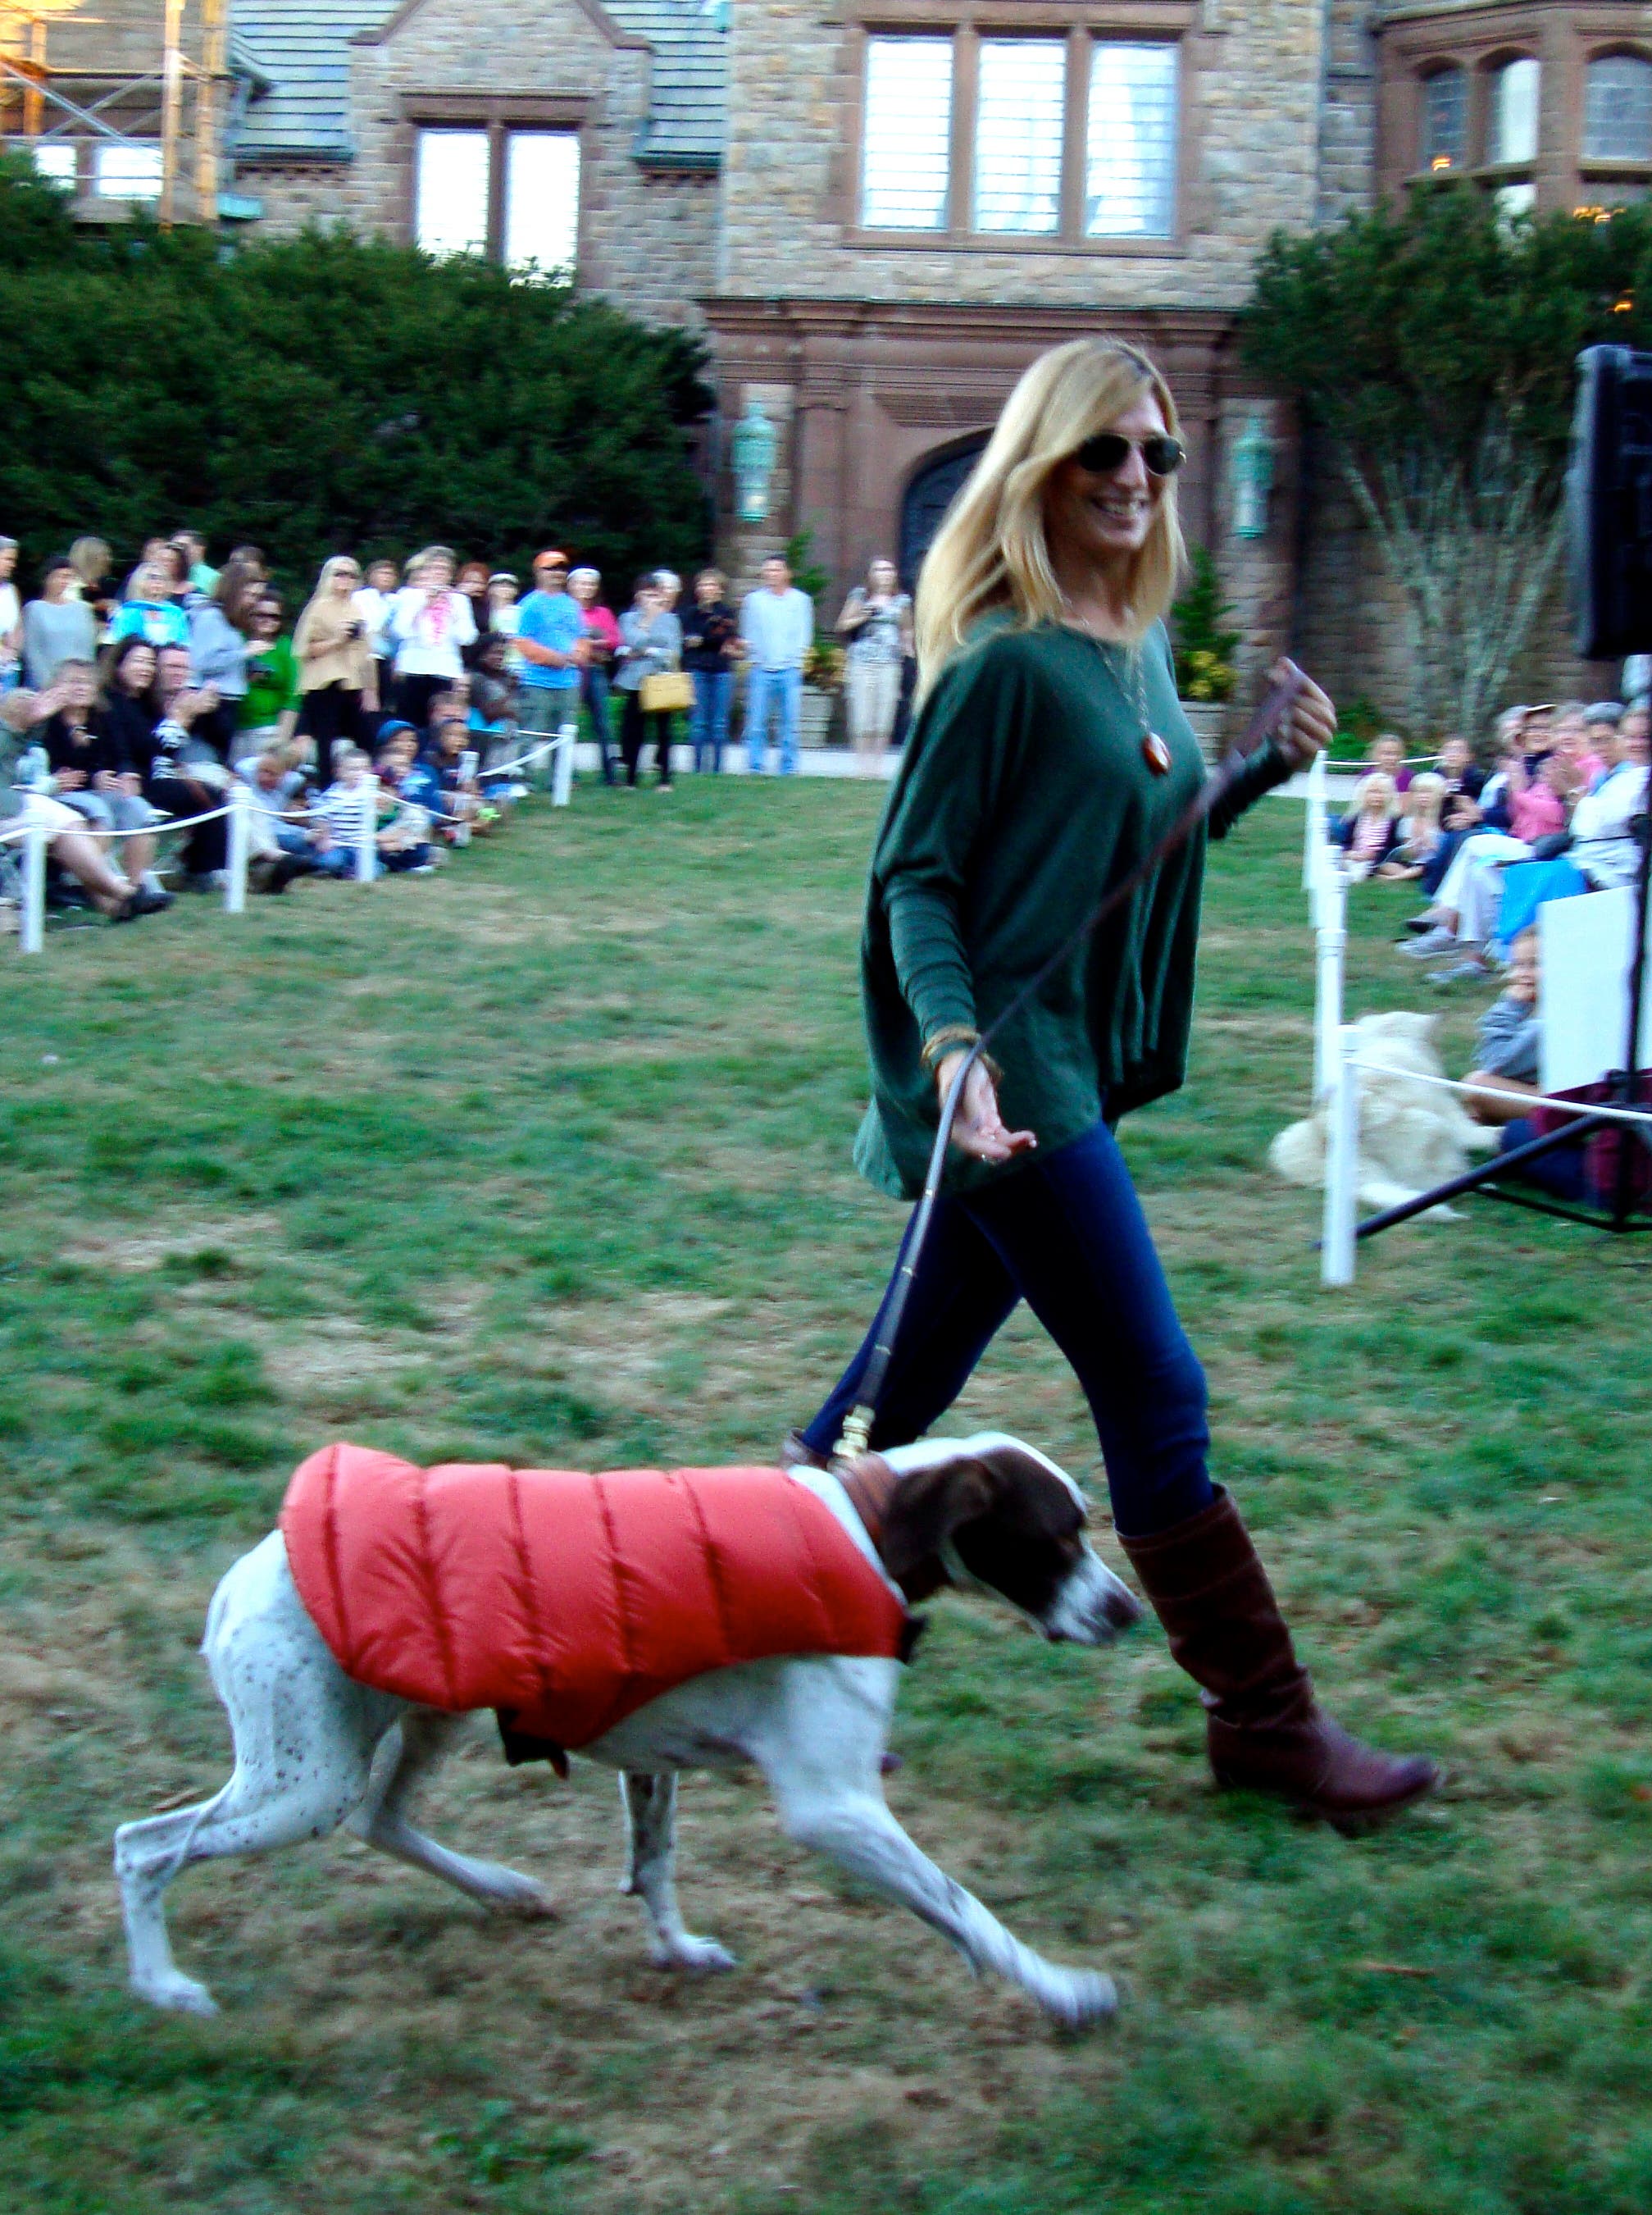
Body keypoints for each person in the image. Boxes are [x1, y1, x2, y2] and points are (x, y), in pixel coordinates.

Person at [784, 336, 1433, 1825]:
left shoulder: (1129, 642)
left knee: (895, 1390)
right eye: (1104, 449)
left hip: (1058, 1068)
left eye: (1157, 451)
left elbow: (1126, 844)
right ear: (1042, 465)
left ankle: (777, 1619)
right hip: (1012, 1080)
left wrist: (1253, 769)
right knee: (1152, 1385)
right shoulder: (1003, 661)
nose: (1136, 475)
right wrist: (950, 1052)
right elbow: (917, 881)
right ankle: (1264, 1720)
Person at [1, 690, 170, 921]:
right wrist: (15, 726)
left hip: (15, 802)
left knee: (71, 824)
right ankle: (124, 895)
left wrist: (29, 724)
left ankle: (116, 902)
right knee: (68, 822)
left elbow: (11, 758)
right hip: (12, 807)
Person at [34, 657, 166, 896]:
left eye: (87, 682)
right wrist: (87, 777)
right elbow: (42, 764)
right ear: (56, 685)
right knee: (98, 811)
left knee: (139, 810)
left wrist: (126, 775)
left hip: (100, 790)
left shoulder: (104, 717)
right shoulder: (46, 721)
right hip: (57, 793)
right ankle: (93, 886)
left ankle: (136, 887)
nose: (81, 688)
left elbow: (121, 756)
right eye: (73, 681)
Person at [294, 556, 379, 778]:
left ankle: (363, 781)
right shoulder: (318, 607)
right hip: (324, 684)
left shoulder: (356, 608)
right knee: (325, 743)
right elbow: (304, 649)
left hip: (353, 683)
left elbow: (365, 652)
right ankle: (325, 786)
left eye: (351, 575)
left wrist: (370, 689)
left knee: (366, 738)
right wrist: (337, 641)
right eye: (340, 574)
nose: (346, 579)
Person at [515, 550, 587, 782]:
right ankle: (520, 779)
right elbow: (522, 642)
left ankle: (560, 780)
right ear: (538, 572)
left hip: (568, 682)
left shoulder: (572, 605)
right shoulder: (530, 604)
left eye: (561, 569)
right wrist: (554, 658)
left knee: (565, 733)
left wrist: (580, 653)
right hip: (537, 681)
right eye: (551, 568)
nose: (557, 573)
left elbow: (581, 637)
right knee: (531, 732)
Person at [836, 558, 912, 773]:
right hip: (862, 663)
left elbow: (907, 629)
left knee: (884, 715)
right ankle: (862, 766)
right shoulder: (860, 596)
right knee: (862, 714)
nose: (885, 574)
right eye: (879, 570)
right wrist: (864, 615)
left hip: (889, 663)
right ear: (871, 574)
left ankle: (876, 766)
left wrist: (908, 652)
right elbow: (843, 624)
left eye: (888, 569)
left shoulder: (901, 601)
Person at [740, 554, 813, 775]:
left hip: (789, 669)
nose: (772, 574)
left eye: (777, 569)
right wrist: (753, 656)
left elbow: (804, 633)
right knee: (756, 722)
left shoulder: (800, 601)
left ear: (787, 573)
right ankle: (755, 766)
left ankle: (788, 768)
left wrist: (798, 661)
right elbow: (748, 632)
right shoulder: (754, 601)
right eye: (768, 570)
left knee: (789, 723)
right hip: (761, 668)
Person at [390, 546, 476, 728]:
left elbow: (468, 638)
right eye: (434, 567)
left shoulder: (459, 600)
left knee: (440, 725)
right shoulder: (410, 595)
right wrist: (424, 603)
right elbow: (400, 631)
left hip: (445, 669)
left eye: (444, 569)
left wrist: (453, 610)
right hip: (413, 668)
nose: (439, 572)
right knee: (409, 723)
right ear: (425, 570)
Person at [188, 564, 262, 762]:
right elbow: (202, 662)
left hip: (229, 701)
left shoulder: (232, 621)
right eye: (248, 594)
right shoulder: (211, 617)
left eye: (256, 596)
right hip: (212, 704)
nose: (252, 601)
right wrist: (245, 653)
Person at [614, 573, 681, 789]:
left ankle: (665, 779)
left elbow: (673, 651)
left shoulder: (670, 620)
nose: (652, 600)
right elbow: (628, 644)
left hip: (661, 680)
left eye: (655, 595)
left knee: (664, 731)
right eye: (647, 595)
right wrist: (649, 630)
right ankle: (631, 778)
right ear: (638, 596)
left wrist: (645, 650)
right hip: (636, 681)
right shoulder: (627, 618)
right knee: (633, 731)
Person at [682, 567, 738, 773]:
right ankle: (697, 768)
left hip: (722, 671)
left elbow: (724, 637)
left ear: (721, 589)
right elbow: (687, 640)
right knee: (698, 722)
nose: (707, 588)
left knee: (719, 723)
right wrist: (709, 636)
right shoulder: (690, 613)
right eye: (704, 584)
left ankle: (717, 769)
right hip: (698, 670)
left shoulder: (727, 613)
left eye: (712, 584)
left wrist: (703, 640)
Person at [570, 566, 620, 783]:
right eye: (582, 583)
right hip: (571, 671)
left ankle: (610, 774)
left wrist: (586, 643)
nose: (587, 588)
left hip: (595, 670)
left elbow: (615, 640)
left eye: (591, 584)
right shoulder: (565, 610)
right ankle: (568, 774)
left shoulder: (603, 613)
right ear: (572, 586)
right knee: (569, 724)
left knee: (603, 723)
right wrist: (594, 642)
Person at [238, 592, 301, 759]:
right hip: (233, 725)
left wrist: (281, 740)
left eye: (274, 617)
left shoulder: (286, 647)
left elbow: (293, 697)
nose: (268, 620)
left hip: (268, 728)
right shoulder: (238, 640)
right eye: (261, 615)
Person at [23, 553, 98, 688]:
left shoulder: (82, 609)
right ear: (47, 578)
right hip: (43, 685)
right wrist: (49, 686)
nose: (64, 582)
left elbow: (88, 650)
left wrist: (83, 681)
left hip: (77, 684)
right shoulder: (34, 609)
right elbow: (33, 651)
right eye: (60, 576)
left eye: (69, 577)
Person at [1331, 770, 1403, 879]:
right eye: (1372, 792)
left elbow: (1394, 848)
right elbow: (1346, 841)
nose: (1377, 796)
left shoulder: (1393, 820)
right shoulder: (1357, 817)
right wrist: (1350, 853)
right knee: (1335, 860)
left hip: (1377, 860)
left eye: (1382, 792)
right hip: (1354, 855)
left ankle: (1362, 872)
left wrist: (1375, 855)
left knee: (1386, 868)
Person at [108, 560, 190, 651]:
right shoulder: (126, 613)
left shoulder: (176, 613)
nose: (158, 582)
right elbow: (119, 644)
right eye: (152, 577)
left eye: (162, 578)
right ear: (139, 581)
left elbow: (184, 644)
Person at [0, 536, 24, 690]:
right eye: (8, 559)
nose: (12, 565)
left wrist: (14, 650)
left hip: (9, 669)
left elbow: (18, 627)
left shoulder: (11, 591)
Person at [172, 531, 217, 597]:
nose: (176, 550)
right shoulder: (166, 573)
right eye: (173, 547)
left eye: (183, 546)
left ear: (200, 548)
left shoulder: (213, 578)